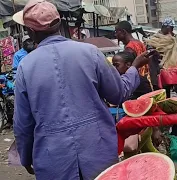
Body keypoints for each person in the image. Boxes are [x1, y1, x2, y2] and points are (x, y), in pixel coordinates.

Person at [12, 0, 150, 179]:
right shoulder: (90, 53)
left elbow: (22, 124)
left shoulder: (25, 67)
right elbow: (118, 93)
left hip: (53, 160)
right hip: (98, 153)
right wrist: (134, 68)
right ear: (60, 23)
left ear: (30, 31)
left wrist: (25, 157)